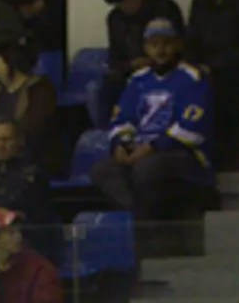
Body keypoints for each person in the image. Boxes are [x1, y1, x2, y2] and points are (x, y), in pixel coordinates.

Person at [89, 18, 212, 222]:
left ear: (177, 45)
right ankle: (141, 219)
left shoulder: (192, 78)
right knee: (102, 169)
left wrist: (153, 146)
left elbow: (193, 130)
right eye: (154, 45)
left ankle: (147, 224)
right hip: (141, 151)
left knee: (146, 168)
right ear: (146, 48)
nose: (160, 50)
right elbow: (122, 119)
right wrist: (121, 144)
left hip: (182, 153)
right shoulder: (138, 80)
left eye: (166, 44)